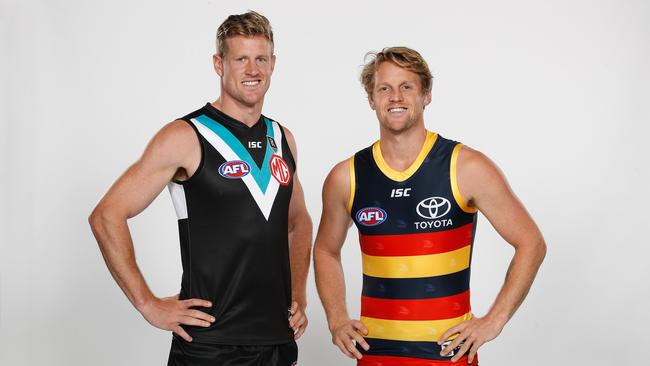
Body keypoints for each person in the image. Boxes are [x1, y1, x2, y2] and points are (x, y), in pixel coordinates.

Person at [89, 11, 312, 366]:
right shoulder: (184, 136)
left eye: (261, 59)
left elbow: (298, 222)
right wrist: (148, 304)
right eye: (240, 59)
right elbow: (106, 215)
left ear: (273, 64)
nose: (252, 70)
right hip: (210, 343)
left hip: (277, 339)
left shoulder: (282, 138)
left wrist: (298, 293)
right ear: (218, 63)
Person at [314, 47, 546, 366]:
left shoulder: (465, 167)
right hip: (375, 355)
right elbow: (326, 250)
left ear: (427, 95)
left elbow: (531, 243)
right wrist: (337, 318)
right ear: (371, 99)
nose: (395, 97)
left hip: (447, 355)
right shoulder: (347, 176)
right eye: (384, 88)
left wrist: (494, 320)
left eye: (406, 86)